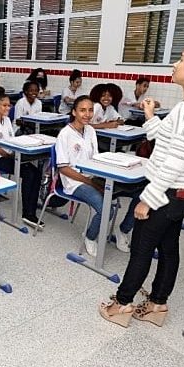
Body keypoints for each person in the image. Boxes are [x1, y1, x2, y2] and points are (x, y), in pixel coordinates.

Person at [100, 43, 184, 328]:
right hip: (178, 192)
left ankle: (122, 305)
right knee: (167, 247)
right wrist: (150, 114)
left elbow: (176, 160)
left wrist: (148, 198)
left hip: (169, 192)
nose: (175, 64)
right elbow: (162, 138)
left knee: (141, 248)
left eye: (181, 59)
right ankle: (157, 305)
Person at [56, 95, 140, 256]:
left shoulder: (90, 130)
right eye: (82, 110)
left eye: (90, 110)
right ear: (74, 112)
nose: (87, 114)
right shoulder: (65, 134)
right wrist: (92, 183)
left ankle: (123, 230)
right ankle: (89, 236)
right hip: (75, 182)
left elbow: (95, 158)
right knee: (107, 210)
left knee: (141, 193)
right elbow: (64, 169)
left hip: (94, 176)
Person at [0, 88, 43, 227]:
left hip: (11, 155)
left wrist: (16, 153)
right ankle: (28, 213)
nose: (8, 108)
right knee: (28, 173)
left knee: (36, 172)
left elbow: (12, 141)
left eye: (9, 105)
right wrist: (11, 155)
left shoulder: (7, 120)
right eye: (4, 105)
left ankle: (32, 206)